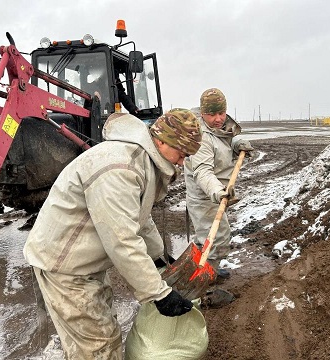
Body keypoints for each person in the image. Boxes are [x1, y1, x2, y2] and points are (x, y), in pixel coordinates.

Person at [23, 108, 202, 359]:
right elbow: (122, 239)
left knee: (100, 332)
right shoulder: (120, 167)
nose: (182, 162)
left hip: (83, 262)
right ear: (161, 140)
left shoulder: (140, 160)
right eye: (182, 153)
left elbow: (139, 218)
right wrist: (158, 294)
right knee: (99, 346)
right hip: (64, 266)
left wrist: (159, 258)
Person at [184, 88, 254, 283]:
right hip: (205, 194)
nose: (218, 118)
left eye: (221, 113)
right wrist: (217, 191)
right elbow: (202, 172)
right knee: (217, 238)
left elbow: (222, 139)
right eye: (212, 114)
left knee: (207, 238)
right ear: (203, 113)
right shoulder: (200, 138)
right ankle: (203, 279)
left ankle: (202, 269)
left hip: (216, 191)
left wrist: (236, 142)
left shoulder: (219, 126)